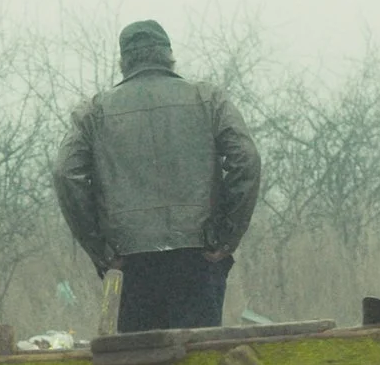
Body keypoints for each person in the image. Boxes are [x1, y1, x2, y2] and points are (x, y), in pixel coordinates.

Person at [53, 19, 263, 331]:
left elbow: (65, 173)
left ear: (124, 62)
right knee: (199, 363)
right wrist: (226, 238)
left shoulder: (94, 112)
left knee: (141, 364)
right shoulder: (208, 100)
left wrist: (100, 249)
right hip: (198, 257)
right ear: (169, 56)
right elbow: (245, 159)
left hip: (128, 262)